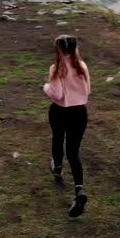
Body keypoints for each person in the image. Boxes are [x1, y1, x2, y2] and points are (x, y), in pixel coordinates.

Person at [42, 34, 91, 217]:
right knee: (73, 150)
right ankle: (79, 189)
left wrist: (46, 87)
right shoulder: (82, 66)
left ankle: (57, 170)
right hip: (79, 112)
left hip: (60, 111)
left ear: (59, 50)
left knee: (57, 138)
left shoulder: (56, 69)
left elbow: (57, 94)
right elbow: (88, 90)